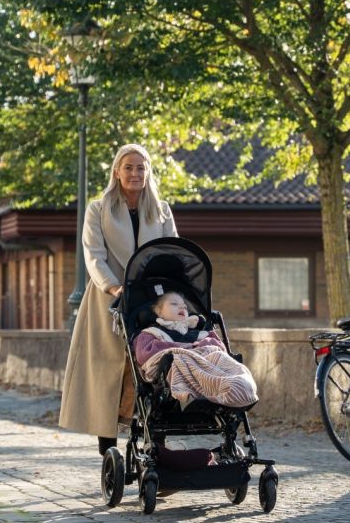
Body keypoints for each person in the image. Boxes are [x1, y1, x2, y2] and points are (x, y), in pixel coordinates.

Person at [59, 144, 178, 456]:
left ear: (148, 171)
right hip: (108, 301)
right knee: (107, 372)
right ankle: (108, 450)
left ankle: (158, 448)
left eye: (141, 167)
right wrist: (113, 287)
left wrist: (171, 294)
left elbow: (171, 254)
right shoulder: (99, 209)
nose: (135, 173)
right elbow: (93, 256)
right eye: (129, 167)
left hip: (151, 302)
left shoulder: (161, 210)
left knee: (153, 367)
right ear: (116, 171)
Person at [133, 291, 258, 409]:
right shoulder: (152, 333)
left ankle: (240, 386)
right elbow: (143, 354)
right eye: (174, 304)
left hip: (205, 361)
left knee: (218, 355)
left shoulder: (199, 333)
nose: (182, 308)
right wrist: (183, 348)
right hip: (176, 363)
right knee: (177, 360)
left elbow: (219, 347)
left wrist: (203, 345)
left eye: (185, 307)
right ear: (159, 312)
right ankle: (188, 394)